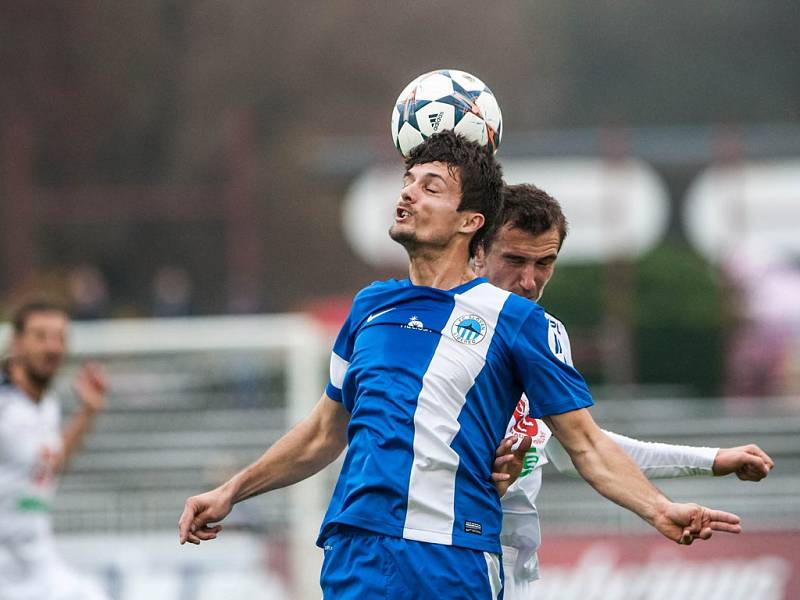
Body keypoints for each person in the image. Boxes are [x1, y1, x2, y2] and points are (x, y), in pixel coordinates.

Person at [179, 131, 742, 599]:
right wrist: (233, 489)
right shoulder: (371, 305)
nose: (407, 196)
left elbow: (585, 444)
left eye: (430, 187)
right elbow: (324, 432)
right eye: (407, 182)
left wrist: (658, 509)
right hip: (354, 551)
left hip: (450, 558)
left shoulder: (518, 323)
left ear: (471, 221)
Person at [473, 183, 775, 599]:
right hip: (446, 560)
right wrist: (476, 480)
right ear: (477, 251)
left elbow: (588, 446)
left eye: (545, 263)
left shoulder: (535, 340)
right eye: (514, 260)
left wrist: (710, 461)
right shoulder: (438, 333)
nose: (529, 280)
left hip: (507, 571)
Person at [0, 301, 109, 600]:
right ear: (16, 343)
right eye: (41, 336)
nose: (52, 347)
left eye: (59, 337)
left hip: (36, 563)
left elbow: (48, 465)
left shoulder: (46, 405)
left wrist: (87, 413)